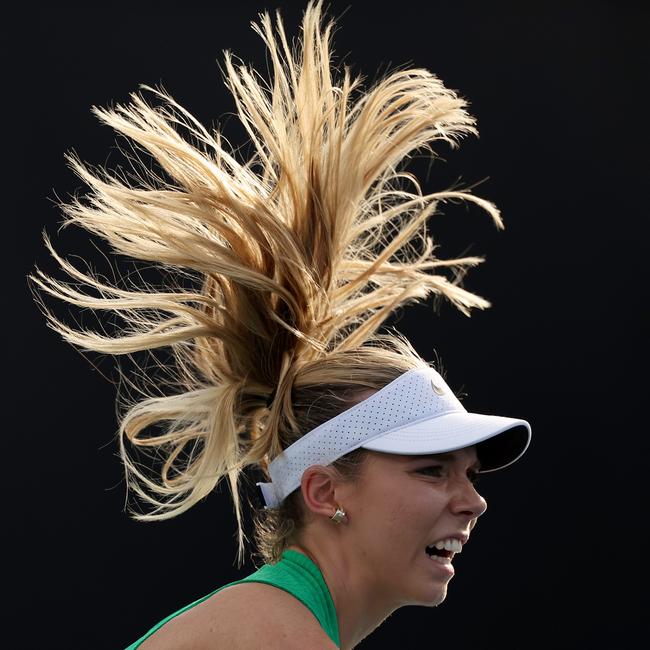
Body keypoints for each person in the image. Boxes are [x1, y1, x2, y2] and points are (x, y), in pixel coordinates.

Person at [29, 1, 531, 648]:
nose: (473, 500)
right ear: (324, 492)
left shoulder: (278, 620)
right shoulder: (278, 632)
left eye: (469, 473)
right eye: (433, 470)